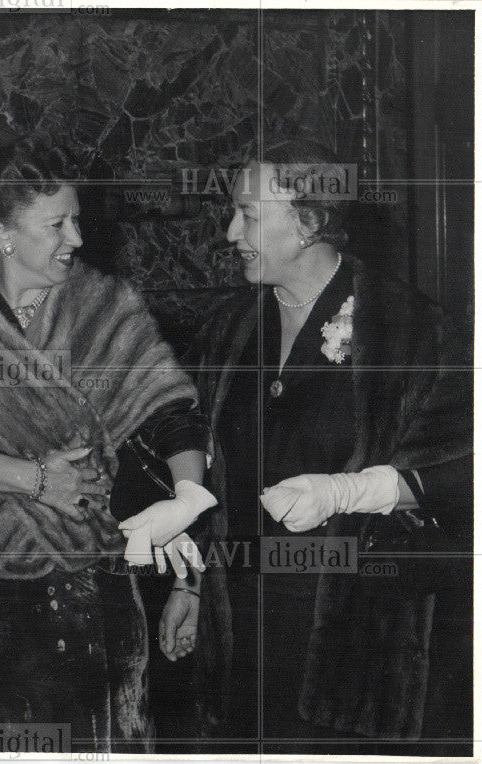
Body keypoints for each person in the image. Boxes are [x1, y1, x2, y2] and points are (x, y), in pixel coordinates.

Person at [0, 135, 216, 752]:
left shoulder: (106, 307)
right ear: (4, 234)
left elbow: (172, 412)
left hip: (96, 596)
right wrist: (34, 479)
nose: (77, 240)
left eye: (77, 220)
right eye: (56, 224)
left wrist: (190, 494)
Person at [195, 139, 472, 754]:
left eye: (248, 214)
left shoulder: (409, 329)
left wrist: (350, 491)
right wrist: (190, 590)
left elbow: (462, 467)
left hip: (356, 639)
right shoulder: (228, 329)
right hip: (242, 627)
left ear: (309, 223)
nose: (231, 230)